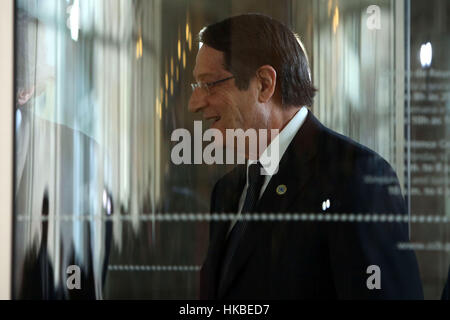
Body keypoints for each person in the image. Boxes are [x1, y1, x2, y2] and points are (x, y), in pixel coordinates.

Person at [188, 13, 423, 299]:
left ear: (263, 83)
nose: (195, 103)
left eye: (209, 84)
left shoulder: (355, 177)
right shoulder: (227, 190)